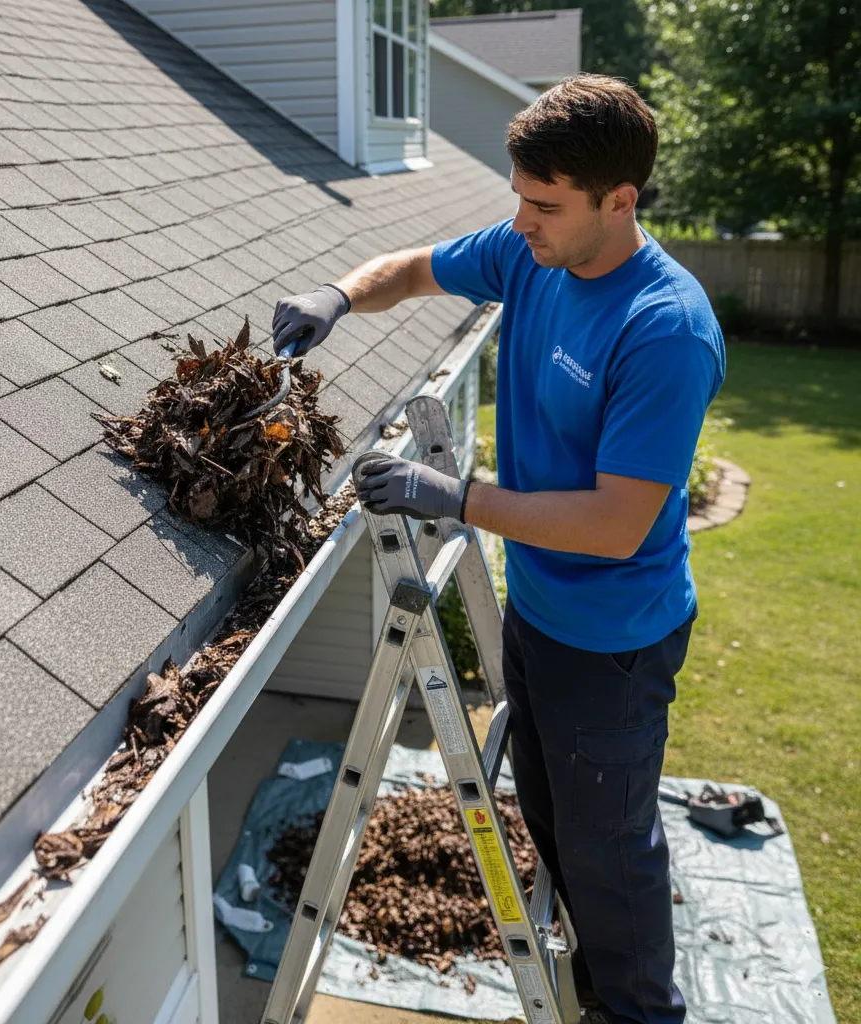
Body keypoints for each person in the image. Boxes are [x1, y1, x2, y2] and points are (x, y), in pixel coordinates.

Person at [270, 74, 724, 1024]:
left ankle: (639, 1012)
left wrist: (452, 496)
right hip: (539, 615)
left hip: (616, 644)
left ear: (620, 200)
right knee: (556, 823)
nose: (521, 221)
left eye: (544, 204)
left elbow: (615, 525)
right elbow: (410, 269)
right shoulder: (532, 255)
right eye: (519, 198)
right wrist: (338, 297)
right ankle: (592, 980)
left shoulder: (663, 329)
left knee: (613, 852)